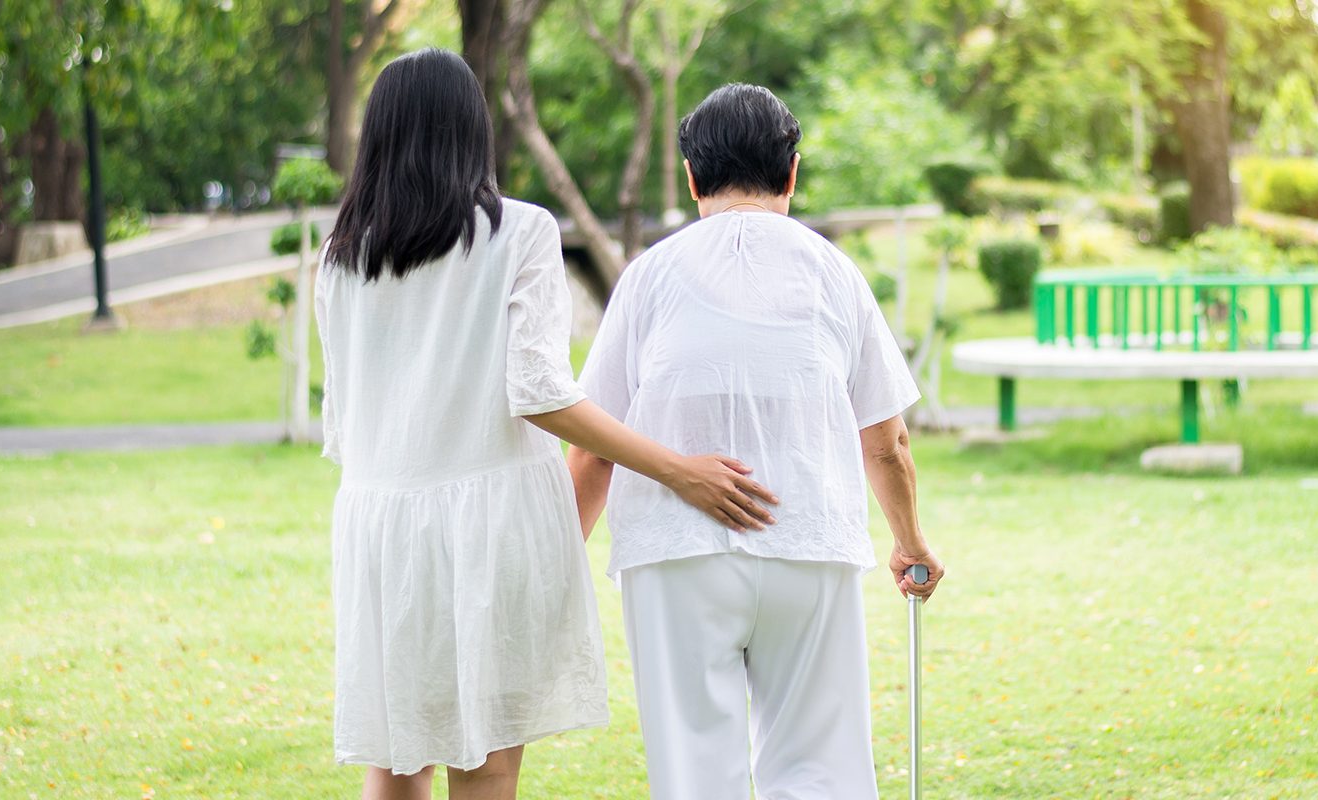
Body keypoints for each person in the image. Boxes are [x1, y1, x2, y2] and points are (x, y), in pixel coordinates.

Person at [316, 51, 778, 800]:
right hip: (491, 522)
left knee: (398, 759)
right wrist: (675, 467)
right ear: (472, 131)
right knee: (488, 767)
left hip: (379, 530)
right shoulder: (519, 232)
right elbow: (538, 393)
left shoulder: (341, 258)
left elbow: (343, 425)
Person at [567, 83, 946, 800]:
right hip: (807, 541)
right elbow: (887, 440)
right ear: (793, 172)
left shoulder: (649, 276)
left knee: (694, 772)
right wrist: (909, 541)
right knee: (821, 769)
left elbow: (595, 443)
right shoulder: (834, 272)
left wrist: (556, 557)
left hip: (673, 554)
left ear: (690, 176)